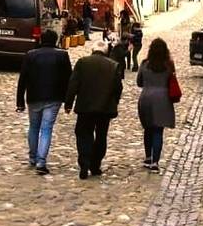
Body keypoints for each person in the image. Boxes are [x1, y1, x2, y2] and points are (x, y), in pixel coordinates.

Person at [15, 29, 71, 175]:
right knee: (46, 129)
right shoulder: (62, 55)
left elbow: (23, 79)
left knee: (34, 127)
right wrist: (68, 101)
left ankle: (33, 157)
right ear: (55, 40)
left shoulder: (30, 55)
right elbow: (68, 79)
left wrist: (20, 101)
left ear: (41, 40)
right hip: (54, 97)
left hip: (34, 96)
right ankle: (41, 162)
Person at [66, 44, 123, 179]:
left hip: (85, 107)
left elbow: (73, 84)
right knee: (101, 136)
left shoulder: (83, 62)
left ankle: (84, 164)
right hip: (105, 107)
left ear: (93, 50)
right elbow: (118, 88)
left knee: (83, 134)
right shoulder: (113, 65)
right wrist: (114, 102)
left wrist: (68, 103)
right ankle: (95, 165)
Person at [135, 38, 178, 171]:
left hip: (146, 98)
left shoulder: (145, 64)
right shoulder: (169, 65)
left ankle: (148, 157)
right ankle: (155, 162)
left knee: (148, 129)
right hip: (163, 99)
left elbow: (139, 82)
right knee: (158, 131)